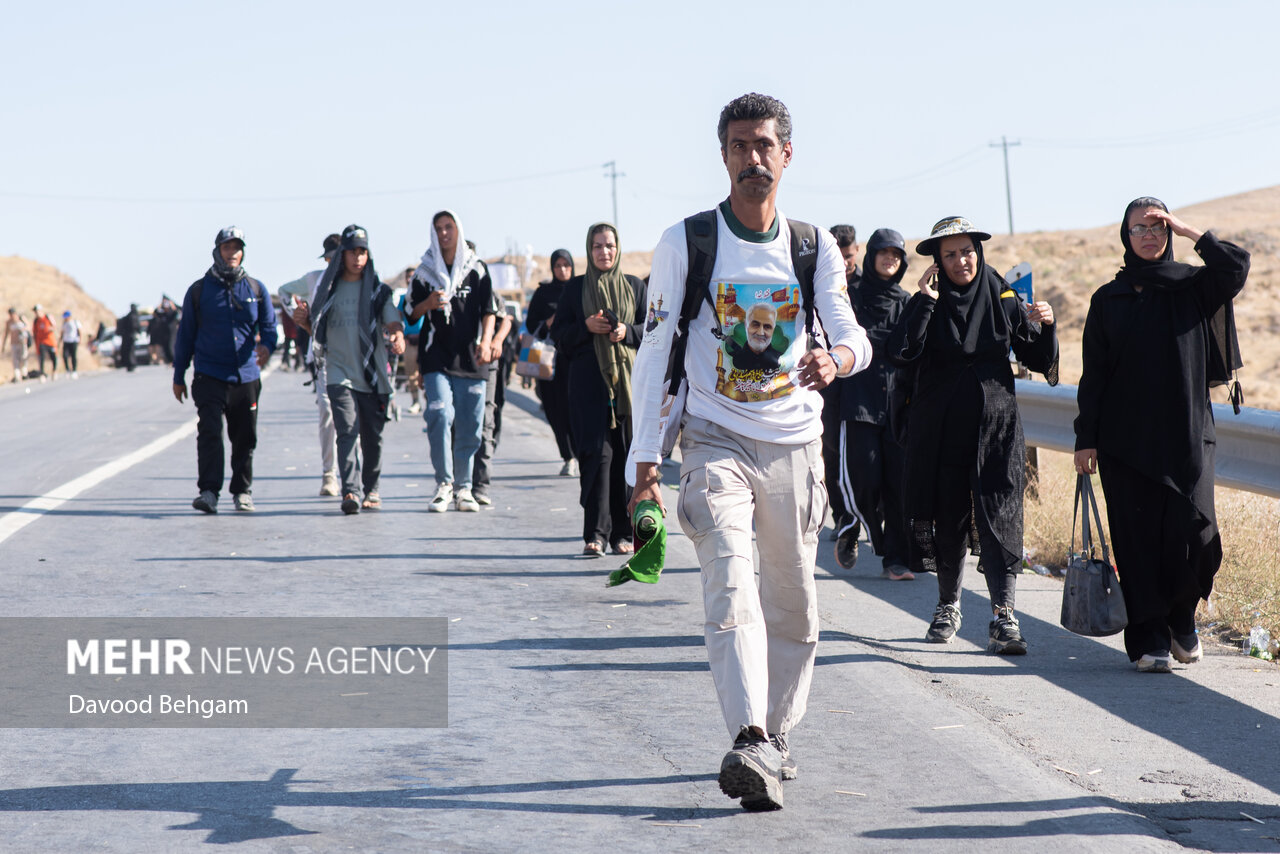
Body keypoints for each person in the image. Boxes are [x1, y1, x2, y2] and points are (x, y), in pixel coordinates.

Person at [628, 93, 871, 811]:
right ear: (724, 155)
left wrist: (840, 362)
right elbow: (653, 349)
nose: (752, 158)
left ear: (786, 155)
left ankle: (777, 736)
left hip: (795, 444)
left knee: (793, 606)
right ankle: (750, 736)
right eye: (739, 146)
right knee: (731, 586)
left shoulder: (812, 244)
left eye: (765, 145)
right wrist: (646, 456)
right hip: (714, 438)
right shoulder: (687, 242)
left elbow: (851, 331)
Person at [1074, 197, 1248, 673]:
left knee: (1197, 536)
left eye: (1158, 226)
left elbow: (1236, 267)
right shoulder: (1109, 299)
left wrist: (1193, 233)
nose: (1149, 235)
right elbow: (1094, 376)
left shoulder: (1194, 286)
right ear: (1124, 237)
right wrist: (1085, 438)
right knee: (1137, 541)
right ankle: (1150, 636)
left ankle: (1181, 619)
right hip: (1125, 445)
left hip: (1189, 437)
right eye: (1139, 228)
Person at [885, 216, 1058, 655]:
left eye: (967, 251)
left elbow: (1038, 356)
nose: (961, 261)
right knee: (949, 520)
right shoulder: (926, 301)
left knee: (1000, 516)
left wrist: (1048, 324)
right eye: (950, 254)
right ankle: (948, 605)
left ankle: (1004, 617)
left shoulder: (1002, 295)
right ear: (937, 263)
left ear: (978, 253)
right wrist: (923, 303)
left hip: (996, 432)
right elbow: (902, 352)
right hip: (940, 432)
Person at [293, 225, 404, 515]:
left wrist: (397, 335)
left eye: (362, 252)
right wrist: (303, 320)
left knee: (372, 437)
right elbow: (317, 330)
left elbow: (392, 320)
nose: (357, 258)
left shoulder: (379, 292)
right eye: (352, 251)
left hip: (372, 375)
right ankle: (351, 491)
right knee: (346, 430)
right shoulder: (328, 290)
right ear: (342, 255)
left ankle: (372, 488)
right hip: (338, 371)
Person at [551, 222, 646, 557]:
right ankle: (595, 533)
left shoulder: (635, 287)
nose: (604, 252)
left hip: (627, 389)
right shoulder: (575, 290)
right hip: (588, 388)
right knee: (595, 458)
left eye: (609, 246)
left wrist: (626, 332)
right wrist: (586, 327)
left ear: (618, 249)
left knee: (624, 458)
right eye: (597, 247)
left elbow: (652, 330)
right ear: (589, 251)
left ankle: (623, 533)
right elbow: (558, 337)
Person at [172, 226, 277, 514]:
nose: (233, 253)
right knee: (210, 432)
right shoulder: (199, 291)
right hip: (209, 375)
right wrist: (179, 375)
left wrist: (267, 346)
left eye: (237, 248)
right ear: (217, 251)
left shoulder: (256, 289)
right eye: (227, 248)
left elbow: (269, 328)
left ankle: (242, 491)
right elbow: (185, 336)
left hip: (246, 377)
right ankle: (208, 492)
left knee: (245, 437)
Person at [834, 228, 913, 578]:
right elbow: (844, 336)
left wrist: (875, 342)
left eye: (897, 255)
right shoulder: (850, 297)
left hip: (898, 405)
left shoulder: (907, 301)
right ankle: (853, 523)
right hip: (858, 401)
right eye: (885, 253)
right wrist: (886, 343)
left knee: (898, 484)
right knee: (865, 479)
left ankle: (894, 559)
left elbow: (909, 347)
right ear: (872, 255)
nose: (891, 259)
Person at [407, 210, 497, 514]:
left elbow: (490, 310)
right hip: (436, 360)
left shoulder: (477, 269)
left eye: (449, 227)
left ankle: (464, 487)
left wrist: (486, 342)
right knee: (440, 414)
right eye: (438, 228)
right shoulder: (424, 272)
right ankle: (444, 485)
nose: (444, 233)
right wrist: (428, 304)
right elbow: (410, 313)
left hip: (472, 360)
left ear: (458, 229)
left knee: (471, 426)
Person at [279, 233, 343, 497]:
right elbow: (285, 290)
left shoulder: (358, 279)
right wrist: (297, 314)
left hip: (354, 356)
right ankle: (329, 474)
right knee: (327, 413)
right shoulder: (314, 279)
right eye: (328, 258)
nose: (332, 262)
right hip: (323, 355)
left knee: (356, 417)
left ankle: (354, 475)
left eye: (336, 257)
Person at [821, 224, 862, 552]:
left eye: (849, 256)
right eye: (840, 257)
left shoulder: (868, 285)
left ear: (857, 252)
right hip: (830, 385)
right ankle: (842, 516)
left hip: (863, 385)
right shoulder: (824, 285)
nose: (846, 263)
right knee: (832, 451)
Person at [525, 249, 577, 477]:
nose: (563, 270)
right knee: (555, 411)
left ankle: (579, 452)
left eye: (566, 265)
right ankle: (567, 456)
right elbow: (530, 324)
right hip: (547, 362)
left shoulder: (580, 289)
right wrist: (549, 321)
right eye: (558, 266)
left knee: (576, 410)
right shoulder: (543, 293)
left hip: (575, 360)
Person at [472, 287, 513, 506]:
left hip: (487, 363)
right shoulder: (444, 285)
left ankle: (480, 485)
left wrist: (496, 341)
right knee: (454, 424)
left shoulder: (486, 286)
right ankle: (455, 481)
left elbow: (507, 318)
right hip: (454, 366)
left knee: (486, 421)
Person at [395, 267, 424, 416]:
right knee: (411, 373)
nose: (409, 280)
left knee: (426, 372)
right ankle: (415, 401)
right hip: (409, 342)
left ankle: (429, 402)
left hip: (424, 341)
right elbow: (398, 319)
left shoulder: (425, 296)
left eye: (412, 277)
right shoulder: (403, 298)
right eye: (408, 277)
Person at [32, 305, 57, 381]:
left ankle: (54, 371)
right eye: (35, 312)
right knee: (41, 358)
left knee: (53, 357)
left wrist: (50, 329)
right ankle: (42, 374)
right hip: (41, 342)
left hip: (50, 341)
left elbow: (54, 326)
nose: (36, 313)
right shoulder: (36, 321)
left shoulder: (48, 317)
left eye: (37, 311)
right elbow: (34, 333)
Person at [4, 308, 28, 383]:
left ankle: (24, 373)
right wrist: (3, 345)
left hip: (22, 343)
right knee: (15, 360)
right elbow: (6, 333)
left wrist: (23, 330)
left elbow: (28, 327)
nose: (12, 316)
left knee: (23, 358)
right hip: (14, 343)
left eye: (12, 314)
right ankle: (17, 375)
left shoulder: (21, 318)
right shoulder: (9, 322)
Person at [118, 304, 141, 372]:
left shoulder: (128, 316)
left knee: (128, 351)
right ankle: (132, 364)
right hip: (130, 336)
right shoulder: (133, 316)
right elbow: (135, 326)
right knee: (130, 351)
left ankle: (129, 365)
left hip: (126, 336)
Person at [60, 310, 82, 378]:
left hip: (74, 340)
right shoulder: (64, 324)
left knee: (73, 356)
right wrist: (59, 341)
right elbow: (62, 333)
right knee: (65, 356)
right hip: (66, 341)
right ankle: (67, 370)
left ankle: (74, 370)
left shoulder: (75, 322)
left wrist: (80, 339)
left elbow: (80, 331)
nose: (65, 318)